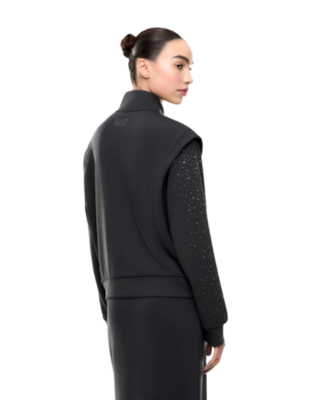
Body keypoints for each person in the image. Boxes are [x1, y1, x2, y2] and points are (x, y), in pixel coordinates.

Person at [82, 26, 229, 399]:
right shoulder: (177, 139)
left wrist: (111, 311)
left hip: (122, 312)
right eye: (179, 65)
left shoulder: (99, 139)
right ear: (144, 67)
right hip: (174, 312)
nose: (189, 78)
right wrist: (215, 324)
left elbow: (96, 240)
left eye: (191, 68)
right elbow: (195, 242)